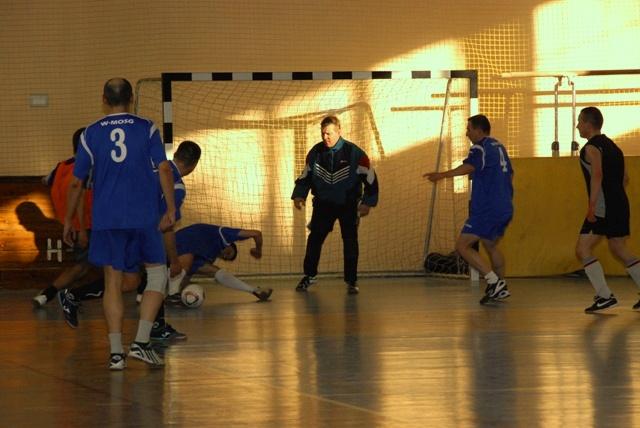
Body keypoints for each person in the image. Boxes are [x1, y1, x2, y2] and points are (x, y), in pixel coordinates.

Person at [63, 78, 175, 370]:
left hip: (107, 218)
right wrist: (171, 208)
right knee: (157, 276)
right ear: (130, 99)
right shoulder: (147, 127)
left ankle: (116, 354)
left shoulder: (90, 134)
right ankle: (140, 342)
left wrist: (69, 220)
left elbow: (77, 183)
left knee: (113, 282)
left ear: (104, 99)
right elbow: (163, 168)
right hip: (142, 216)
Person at [58, 141, 202, 341]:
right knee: (157, 275)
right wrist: (174, 259)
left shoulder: (152, 166)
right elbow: (166, 226)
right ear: (194, 165)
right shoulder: (175, 185)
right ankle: (155, 329)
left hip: (118, 224)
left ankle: (74, 295)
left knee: (129, 281)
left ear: (176, 153)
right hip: (139, 232)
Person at [424, 114, 514, 304]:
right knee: (490, 245)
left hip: (487, 208)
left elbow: (468, 167)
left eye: (469, 129)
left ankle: (493, 281)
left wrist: (442, 175)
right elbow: (508, 174)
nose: (466, 133)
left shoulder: (479, 147)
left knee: (462, 246)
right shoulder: (499, 147)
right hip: (505, 206)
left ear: (479, 131)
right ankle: (501, 286)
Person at [292, 115, 378, 295]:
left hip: (348, 204)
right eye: (323, 134)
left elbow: (370, 178)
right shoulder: (315, 152)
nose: (326, 137)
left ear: (339, 131)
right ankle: (309, 275)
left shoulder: (354, 153)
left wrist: (367, 203)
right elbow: (305, 175)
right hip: (323, 205)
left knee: (350, 241)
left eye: (329, 133)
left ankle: (352, 281)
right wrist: (299, 195)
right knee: (314, 239)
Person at [574, 106, 640, 313]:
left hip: (603, 207)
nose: (577, 126)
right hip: (620, 203)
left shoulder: (591, 148)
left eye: (579, 122)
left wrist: (592, 206)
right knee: (619, 249)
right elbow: (625, 179)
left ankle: (604, 295)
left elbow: (597, 175)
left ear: (588, 124)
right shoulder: (614, 147)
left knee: (582, 249)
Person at [32, 127, 94, 308]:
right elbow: (80, 197)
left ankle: (47, 295)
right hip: (86, 225)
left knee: (83, 266)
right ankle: (70, 295)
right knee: (90, 266)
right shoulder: (85, 169)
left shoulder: (61, 166)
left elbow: (46, 180)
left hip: (71, 225)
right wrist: (82, 229)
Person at [170, 223, 272, 302]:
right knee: (188, 253)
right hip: (176, 243)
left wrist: (186, 293)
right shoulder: (223, 235)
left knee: (213, 270)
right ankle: (172, 295)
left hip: (175, 258)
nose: (224, 256)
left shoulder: (208, 256)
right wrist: (258, 250)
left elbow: (186, 275)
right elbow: (257, 233)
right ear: (229, 245)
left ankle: (254, 290)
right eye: (228, 253)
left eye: (226, 258)